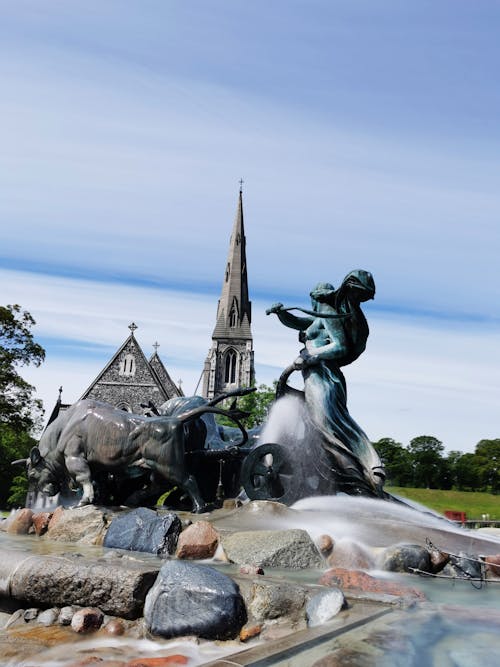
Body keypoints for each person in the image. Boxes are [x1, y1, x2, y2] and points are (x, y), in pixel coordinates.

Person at [267, 271, 385, 497]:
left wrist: (313, 357)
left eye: (315, 297)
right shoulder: (321, 315)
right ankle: (336, 470)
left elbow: (340, 346)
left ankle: (356, 472)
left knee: (326, 424)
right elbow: (300, 322)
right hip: (314, 375)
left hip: (324, 377)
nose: (312, 301)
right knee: (318, 425)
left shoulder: (328, 312)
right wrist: (281, 314)